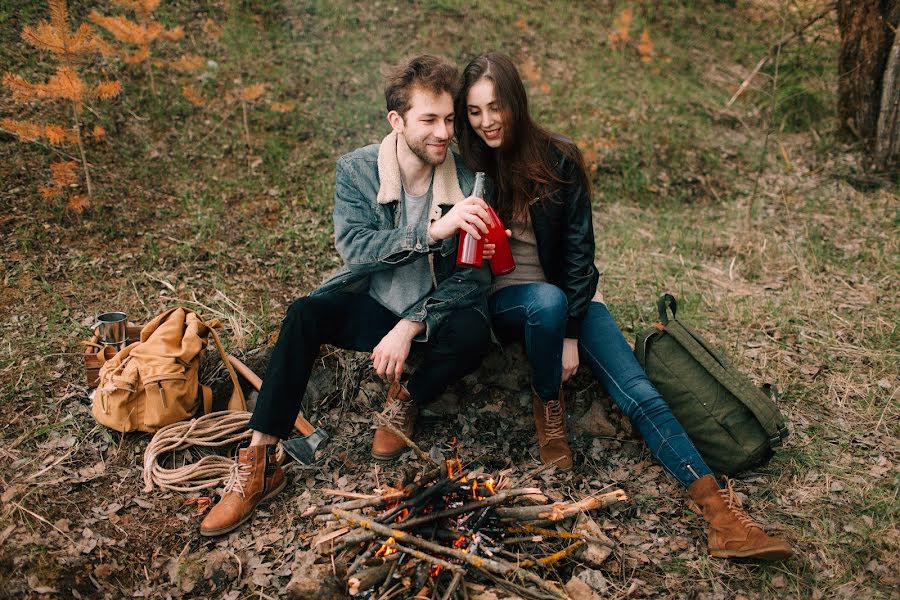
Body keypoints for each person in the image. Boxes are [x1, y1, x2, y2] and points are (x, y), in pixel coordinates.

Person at [454, 52, 792, 560]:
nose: (487, 121)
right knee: (542, 301)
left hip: (572, 299)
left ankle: (721, 516)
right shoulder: (467, 163)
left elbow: (579, 252)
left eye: (495, 106)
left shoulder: (559, 158)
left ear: (516, 101)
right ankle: (548, 404)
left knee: (638, 392)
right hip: (509, 303)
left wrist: (570, 331)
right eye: (475, 111)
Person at [201, 55, 494, 537]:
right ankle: (259, 459)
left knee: (472, 332)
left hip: (434, 316)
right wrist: (432, 230)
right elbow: (357, 249)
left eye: (448, 119)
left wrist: (411, 323)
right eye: (429, 120)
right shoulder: (357, 170)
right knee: (304, 314)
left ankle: (408, 398)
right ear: (396, 121)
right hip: (375, 304)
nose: (443, 132)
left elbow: (473, 278)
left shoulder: (467, 177)